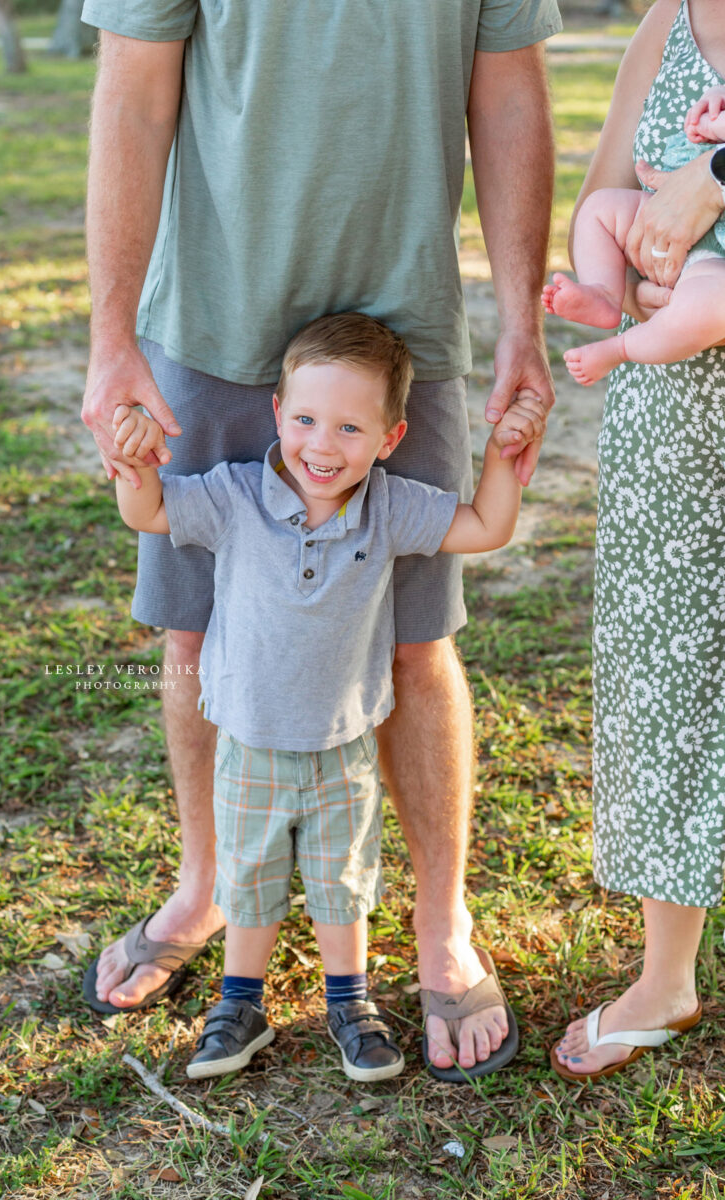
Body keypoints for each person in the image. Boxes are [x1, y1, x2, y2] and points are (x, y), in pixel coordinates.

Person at [78, 0, 562, 1080]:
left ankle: (440, 926)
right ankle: (204, 887)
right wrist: (112, 339)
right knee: (199, 634)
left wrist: (521, 319)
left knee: (413, 643)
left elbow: (508, 92)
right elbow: (134, 92)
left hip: (405, 330)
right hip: (210, 320)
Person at [110, 313, 547, 1081]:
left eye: (350, 427)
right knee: (246, 878)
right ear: (276, 413)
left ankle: (350, 1001)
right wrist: (134, 460)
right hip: (248, 738)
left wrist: (510, 454)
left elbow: (484, 525)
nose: (322, 444)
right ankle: (239, 1004)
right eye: (306, 418)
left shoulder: (388, 505)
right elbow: (147, 513)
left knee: (343, 880)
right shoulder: (236, 494)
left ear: (389, 437)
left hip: (344, 743)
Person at [550, 0, 725, 1084]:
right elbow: (604, 194)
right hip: (673, 413)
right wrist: (624, 264)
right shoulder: (661, 27)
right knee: (667, 669)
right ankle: (665, 975)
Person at [542, 82, 725, 384]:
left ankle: (621, 348)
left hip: (714, 262)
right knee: (600, 209)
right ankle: (603, 291)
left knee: (710, 305)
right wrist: (711, 106)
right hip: (664, 206)